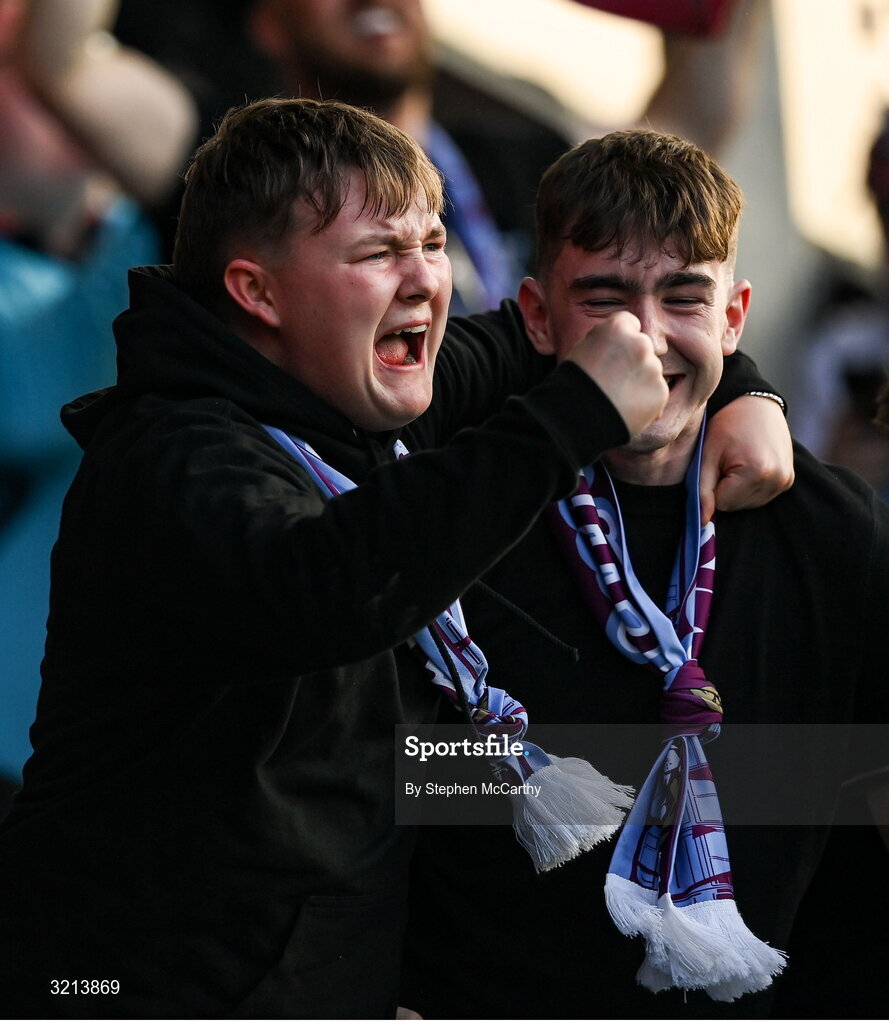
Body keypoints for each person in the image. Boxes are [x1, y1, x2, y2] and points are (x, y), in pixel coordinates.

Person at [0, 99, 789, 1017]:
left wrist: (739, 383)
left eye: (433, 243)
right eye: (380, 253)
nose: (426, 280)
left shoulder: (351, 392)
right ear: (257, 292)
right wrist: (571, 416)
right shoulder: (174, 458)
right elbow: (332, 584)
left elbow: (553, 340)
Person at [402, 129, 889, 1019]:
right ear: (537, 317)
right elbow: (392, 775)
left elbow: (860, 798)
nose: (646, 337)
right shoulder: (469, 494)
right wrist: (535, 773)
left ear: (733, 317)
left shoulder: (826, 529)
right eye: (603, 298)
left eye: (683, 298)